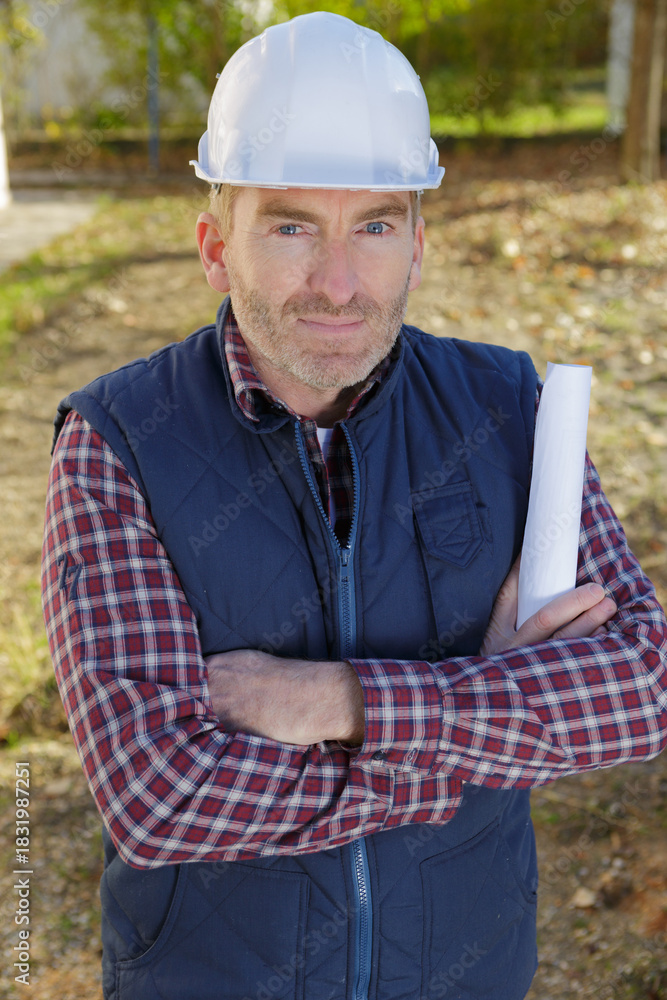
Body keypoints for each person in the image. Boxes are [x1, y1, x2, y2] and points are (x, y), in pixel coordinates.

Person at [41, 12, 667, 1000]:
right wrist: (484, 716)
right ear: (215, 246)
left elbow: (642, 686)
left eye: (374, 225)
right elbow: (163, 797)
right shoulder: (120, 442)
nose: (337, 284)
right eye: (291, 226)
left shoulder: (510, 409)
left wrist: (341, 702)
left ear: (416, 245)